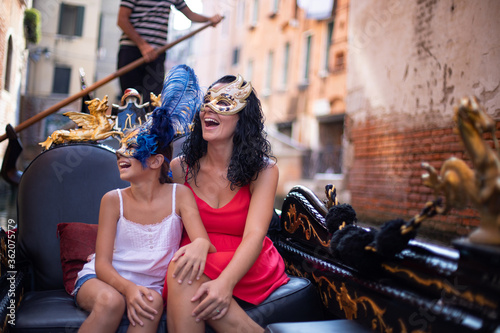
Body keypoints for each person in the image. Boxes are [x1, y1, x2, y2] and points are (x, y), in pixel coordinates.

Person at [73, 65, 214, 332]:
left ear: (155, 161)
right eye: (121, 146)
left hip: (150, 287)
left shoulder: (179, 196)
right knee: (111, 302)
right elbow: (102, 264)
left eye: (131, 148)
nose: (120, 153)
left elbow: (202, 241)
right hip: (102, 281)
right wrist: (128, 290)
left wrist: (202, 244)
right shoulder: (112, 200)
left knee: (151, 303)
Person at [165, 74, 290, 333]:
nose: (208, 108)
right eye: (207, 101)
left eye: (223, 103)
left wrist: (225, 284)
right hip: (196, 257)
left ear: (242, 118)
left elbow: (255, 236)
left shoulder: (264, 171)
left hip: (247, 261)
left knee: (183, 275)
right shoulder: (180, 169)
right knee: (183, 270)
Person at [117, 0, 222, 105]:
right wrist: (143, 45)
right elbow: (121, 20)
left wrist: (209, 20)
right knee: (129, 99)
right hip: (131, 50)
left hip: (157, 54)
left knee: (154, 100)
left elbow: (190, 14)